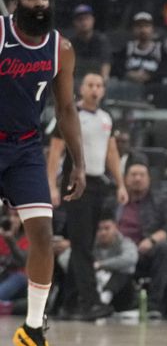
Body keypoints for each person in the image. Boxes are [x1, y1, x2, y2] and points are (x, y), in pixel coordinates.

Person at [3, 0, 86, 346]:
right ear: (14, 2)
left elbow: (67, 109)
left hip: (25, 150)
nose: (39, 2)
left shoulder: (61, 48)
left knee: (43, 234)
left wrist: (78, 163)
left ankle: (33, 327)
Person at [47, 73, 127, 321]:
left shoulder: (106, 118)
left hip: (97, 183)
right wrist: (51, 185)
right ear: (81, 88)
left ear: (103, 90)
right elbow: (56, 151)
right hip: (74, 182)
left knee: (83, 242)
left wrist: (120, 183)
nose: (95, 89)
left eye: (99, 85)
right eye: (90, 85)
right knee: (82, 244)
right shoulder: (70, 114)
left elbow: (111, 151)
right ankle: (91, 303)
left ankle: (68, 303)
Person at [114, 162, 167, 318]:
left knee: (165, 248)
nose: (137, 178)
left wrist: (152, 240)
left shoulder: (160, 201)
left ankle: (153, 305)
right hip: (114, 249)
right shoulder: (115, 200)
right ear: (125, 179)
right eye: (133, 175)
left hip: (142, 251)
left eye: (142, 175)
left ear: (149, 179)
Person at [91, 215, 138, 311]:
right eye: (99, 229)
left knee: (124, 270)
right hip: (95, 284)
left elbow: (130, 259)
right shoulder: (90, 244)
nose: (103, 233)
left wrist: (101, 265)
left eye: (107, 228)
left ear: (116, 228)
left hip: (120, 291)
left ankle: (105, 298)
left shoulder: (126, 243)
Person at [68, 5, 112, 82]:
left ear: (93, 20)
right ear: (74, 23)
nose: (84, 22)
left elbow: (106, 62)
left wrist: (103, 81)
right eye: (80, 20)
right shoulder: (70, 43)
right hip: (76, 81)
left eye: (87, 19)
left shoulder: (101, 40)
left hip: (97, 80)